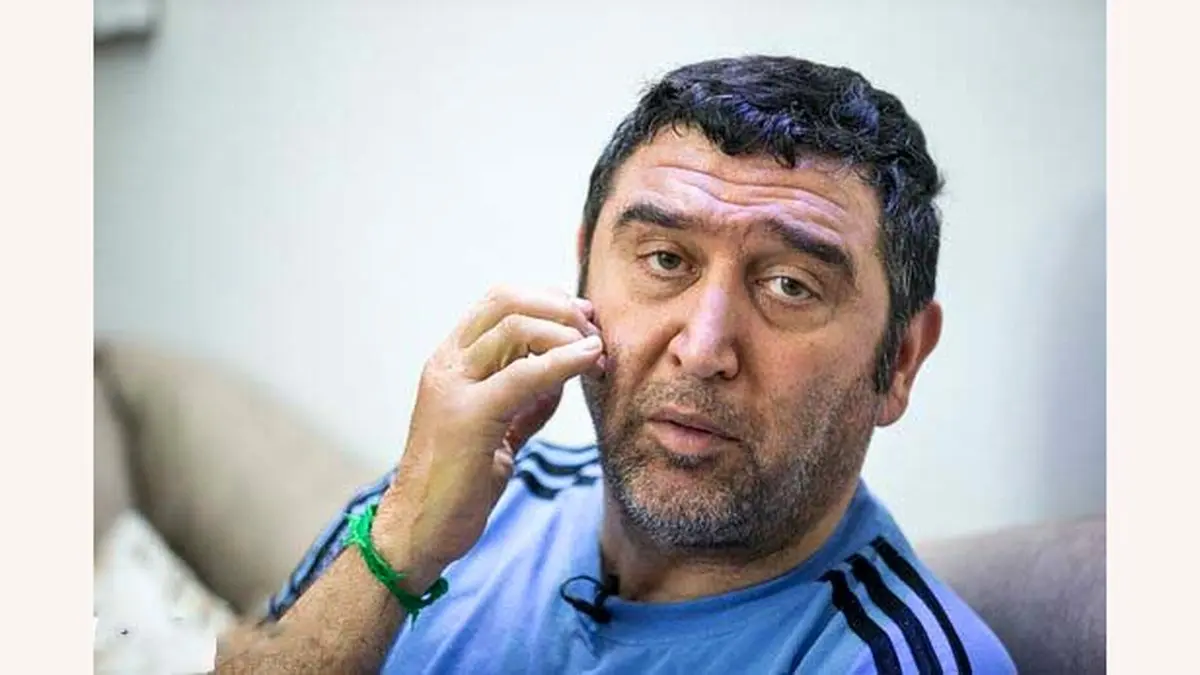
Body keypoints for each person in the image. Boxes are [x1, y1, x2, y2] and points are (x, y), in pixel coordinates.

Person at [215, 55, 1016, 674]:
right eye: (665, 259)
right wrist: (397, 543)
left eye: (789, 285)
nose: (703, 347)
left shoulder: (899, 659)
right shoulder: (447, 504)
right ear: (583, 278)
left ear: (900, 359)